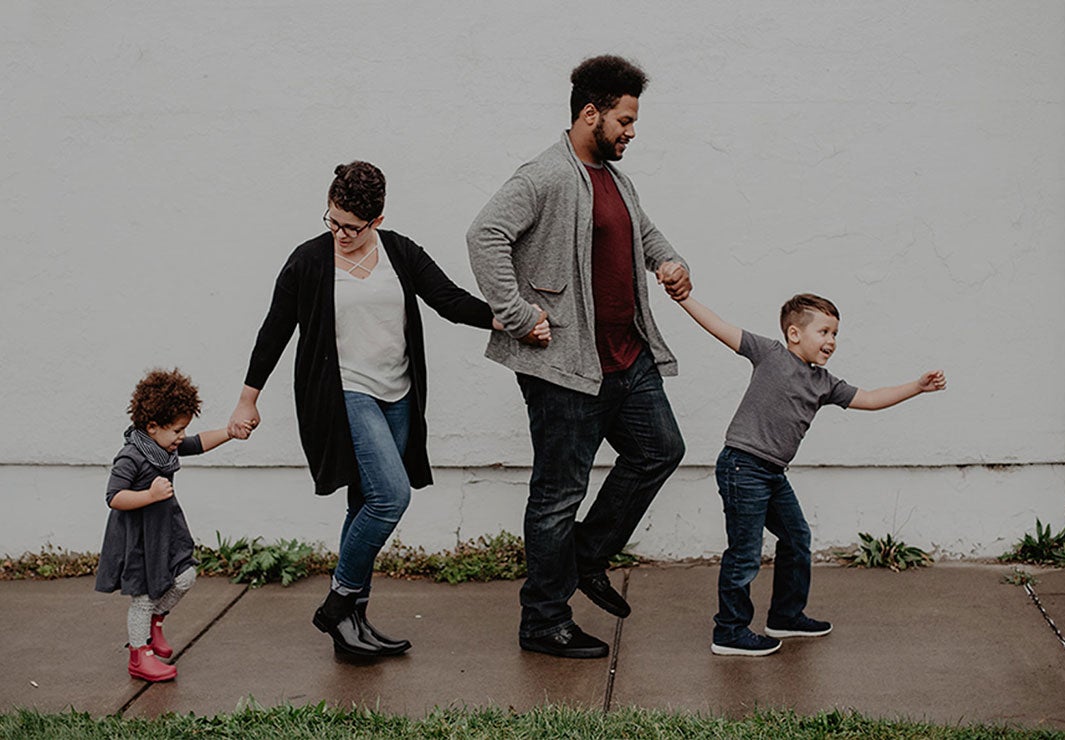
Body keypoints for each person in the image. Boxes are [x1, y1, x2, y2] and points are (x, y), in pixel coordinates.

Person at [227, 161, 548, 660]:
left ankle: (352, 626)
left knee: (364, 503)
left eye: (351, 227)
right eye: (332, 221)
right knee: (390, 497)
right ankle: (338, 603)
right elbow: (274, 330)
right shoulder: (309, 261)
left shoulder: (398, 252)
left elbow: (448, 300)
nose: (339, 234)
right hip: (344, 393)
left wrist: (513, 321)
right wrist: (249, 397)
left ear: (376, 220)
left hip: (398, 395)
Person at [467, 55, 690, 659]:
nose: (631, 131)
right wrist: (516, 314)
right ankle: (543, 620)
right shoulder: (544, 176)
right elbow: (484, 235)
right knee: (557, 493)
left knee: (661, 450)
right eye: (624, 119)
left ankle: (586, 558)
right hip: (566, 367)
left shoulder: (616, 179)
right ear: (590, 113)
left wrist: (669, 262)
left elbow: (643, 232)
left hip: (627, 358)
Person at [676, 292, 947, 656]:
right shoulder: (769, 353)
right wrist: (683, 298)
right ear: (794, 333)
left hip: (772, 473)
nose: (831, 341)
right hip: (743, 466)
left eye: (835, 334)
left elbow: (868, 398)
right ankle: (729, 631)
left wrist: (917, 387)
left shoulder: (824, 383)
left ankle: (786, 616)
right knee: (744, 553)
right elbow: (719, 326)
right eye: (824, 332)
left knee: (796, 537)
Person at [95, 368, 248, 682]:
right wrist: (149, 495)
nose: (181, 436)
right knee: (144, 596)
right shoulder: (131, 456)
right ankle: (139, 655)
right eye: (177, 430)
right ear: (152, 426)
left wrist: (230, 432)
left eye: (183, 429)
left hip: (165, 531)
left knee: (185, 576)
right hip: (138, 537)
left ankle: (156, 622)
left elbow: (198, 443)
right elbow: (114, 497)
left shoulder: (166, 447)